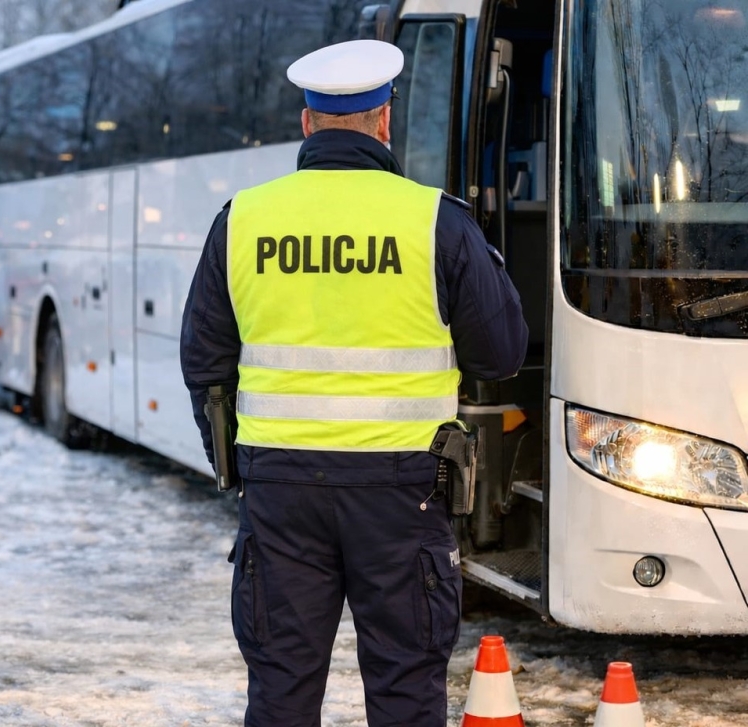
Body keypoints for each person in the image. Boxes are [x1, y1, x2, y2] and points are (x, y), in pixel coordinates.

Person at [180, 40, 528, 727]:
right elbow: (501, 354)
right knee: (404, 686)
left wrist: (239, 460)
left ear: (308, 124)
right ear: (385, 121)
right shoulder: (436, 220)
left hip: (279, 489)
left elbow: (203, 359)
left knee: (281, 688)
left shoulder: (243, 219)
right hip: (402, 496)